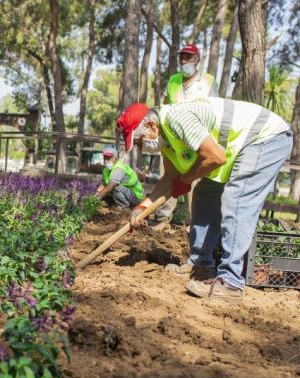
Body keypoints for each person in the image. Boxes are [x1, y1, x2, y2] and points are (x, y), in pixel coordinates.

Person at [116, 98, 292, 301]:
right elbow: (171, 179)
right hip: (240, 148)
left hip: (265, 137)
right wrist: (142, 207)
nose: (140, 148)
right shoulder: (166, 140)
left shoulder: (177, 118)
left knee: (236, 199)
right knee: (205, 193)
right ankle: (201, 265)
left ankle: (231, 282)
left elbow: (215, 157)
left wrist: (186, 179)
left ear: (151, 125)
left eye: (139, 142)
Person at [156, 43, 221, 228]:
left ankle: (194, 223)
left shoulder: (208, 81)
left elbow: (215, 111)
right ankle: (162, 219)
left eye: (189, 57)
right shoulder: (173, 80)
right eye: (182, 57)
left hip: (197, 142)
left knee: (194, 183)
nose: (184, 61)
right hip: (174, 143)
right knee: (168, 177)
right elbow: (164, 106)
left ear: (197, 59)